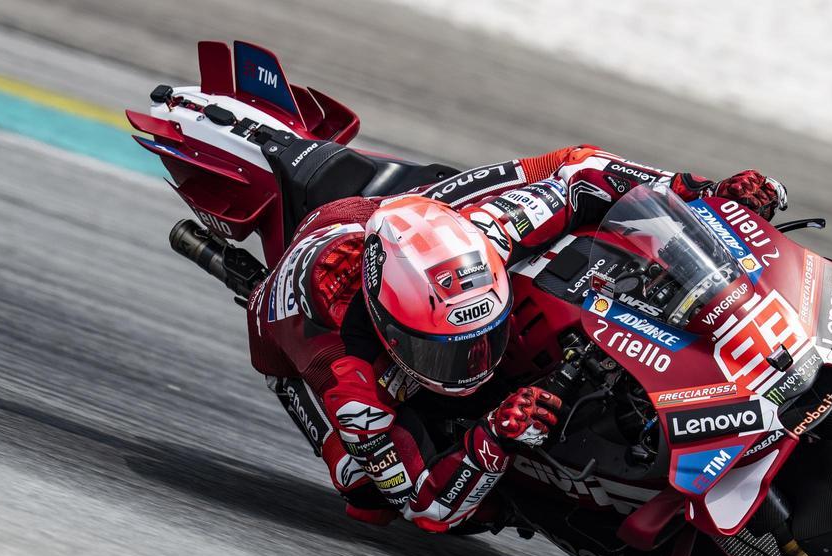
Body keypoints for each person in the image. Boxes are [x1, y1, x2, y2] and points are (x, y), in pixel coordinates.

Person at [246, 144, 788, 531]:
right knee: (369, 495)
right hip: (292, 330)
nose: (473, 364)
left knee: (574, 187)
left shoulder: (490, 230)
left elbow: (583, 171)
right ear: (389, 331)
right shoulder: (349, 379)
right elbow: (424, 505)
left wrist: (702, 193)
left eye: (479, 340)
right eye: (443, 352)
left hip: (404, 219)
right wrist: (493, 437)